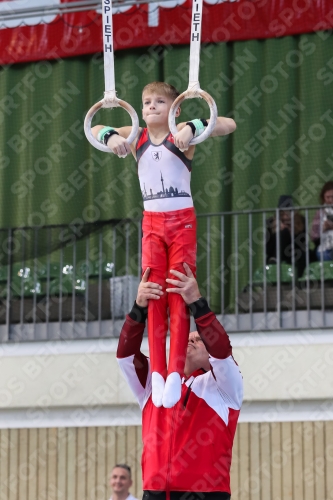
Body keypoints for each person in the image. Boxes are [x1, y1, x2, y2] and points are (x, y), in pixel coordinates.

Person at [93, 82, 236, 408]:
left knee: (177, 293)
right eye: (146, 102)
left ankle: (174, 372)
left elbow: (229, 124)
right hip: (152, 224)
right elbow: (98, 126)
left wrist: (193, 128)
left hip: (182, 222)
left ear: (176, 107)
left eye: (160, 101)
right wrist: (111, 136)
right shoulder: (136, 137)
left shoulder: (182, 135)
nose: (151, 106)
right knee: (154, 294)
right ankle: (158, 373)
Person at [116, 263, 243, 500]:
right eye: (188, 336)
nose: (192, 340)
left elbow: (222, 349)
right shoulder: (153, 384)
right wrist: (139, 307)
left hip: (205, 493)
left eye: (200, 339)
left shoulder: (225, 388)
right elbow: (125, 355)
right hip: (154, 492)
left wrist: (196, 301)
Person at [266, 195, 307, 277]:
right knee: (283, 233)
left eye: (288, 211)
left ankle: (299, 281)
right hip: (275, 253)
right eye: (282, 212)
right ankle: (275, 260)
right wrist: (277, 232)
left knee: (304, 255)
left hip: (293, 251)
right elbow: (267, 248)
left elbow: (302, 242)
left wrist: (292, 231)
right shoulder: (271, 222)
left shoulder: (301, 220)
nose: (285, 215)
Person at [310, 180, 333, 261]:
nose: (330, 200)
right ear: (323, 197)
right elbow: (313, 236)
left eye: (332, 197)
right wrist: (323, 228)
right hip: (325, 248)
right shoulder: (320, 212)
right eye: (327, 197)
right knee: (323, 255)